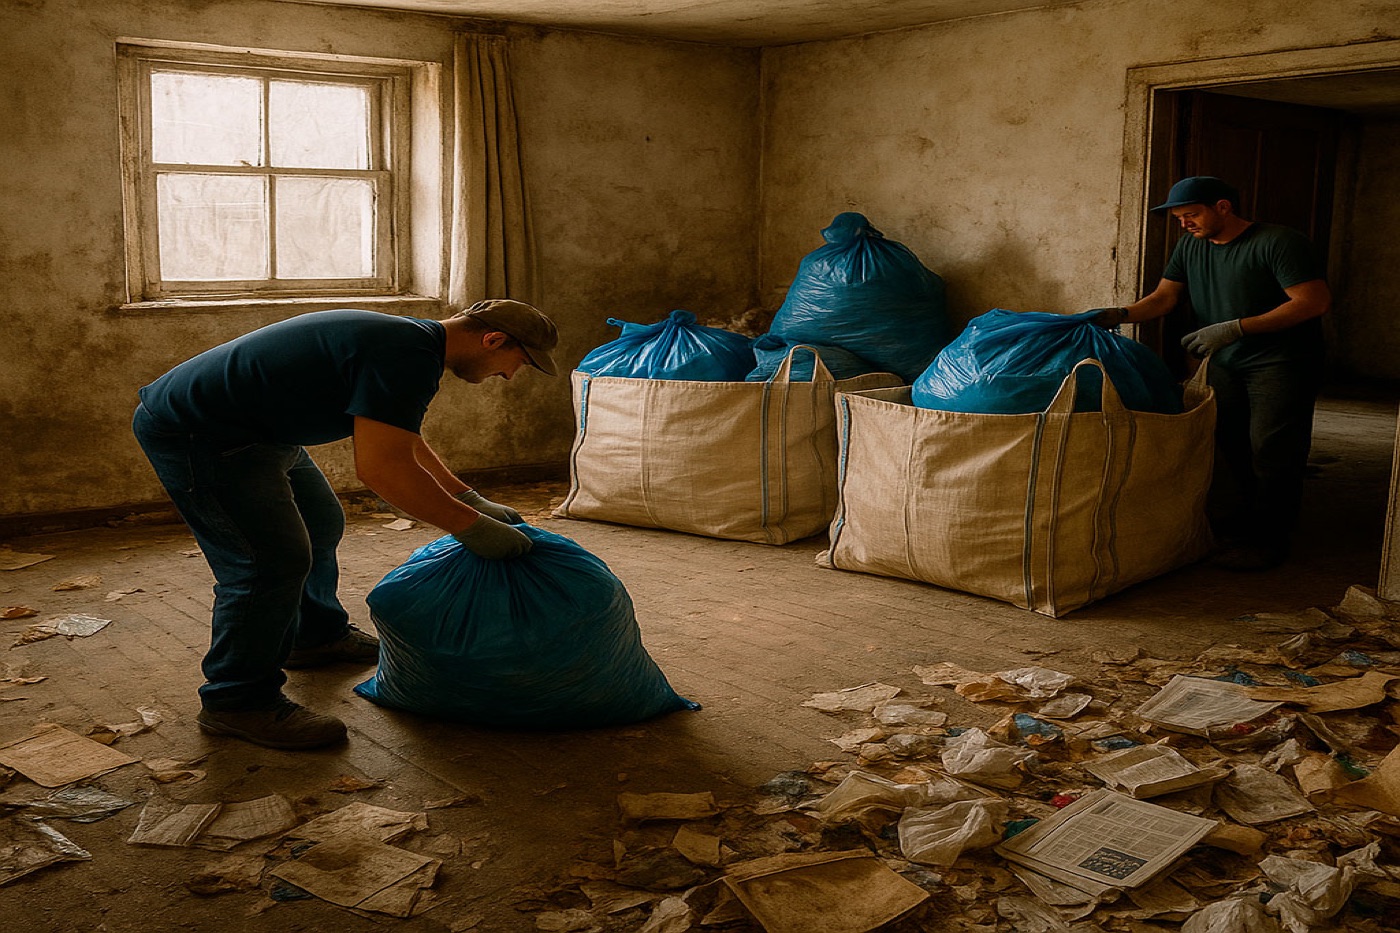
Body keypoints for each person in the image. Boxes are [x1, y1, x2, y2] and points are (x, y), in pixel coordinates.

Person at [132, 299, 560, 749]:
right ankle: (237, 701)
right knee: (268, 564)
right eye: (519, 362)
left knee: (321, 521)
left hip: (261, 432)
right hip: (201, 435)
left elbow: (400, 440)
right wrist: (471, 527)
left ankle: (313, 637)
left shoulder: (412, 342)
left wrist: (464, 497)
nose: (511, 376)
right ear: (493, 340)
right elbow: (382, 469)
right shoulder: (406, 354)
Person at [1090, 176, 1331, 572]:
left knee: (1273, 450)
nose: (1184, 224)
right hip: (1223, 363)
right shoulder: (1190, 245)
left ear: (1223, 207)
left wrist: (1236, 327)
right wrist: (1119, 315)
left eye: (1191, 214)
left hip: (1280, 362)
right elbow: (1165, 297)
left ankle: (1272, 540)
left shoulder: (1278, 242)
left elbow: (1313, 302)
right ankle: (1249, 519)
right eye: (1179, 218)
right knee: (1231, 442)